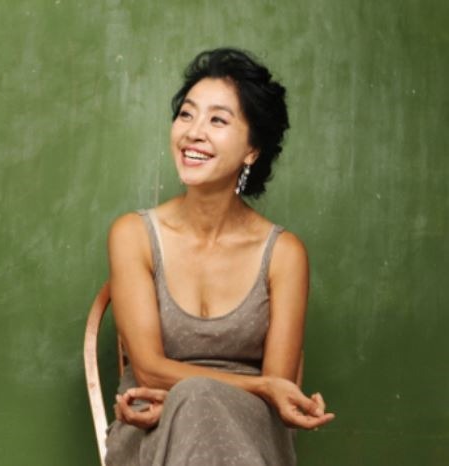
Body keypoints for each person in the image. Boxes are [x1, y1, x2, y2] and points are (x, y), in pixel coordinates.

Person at [105, 47, 335, 466]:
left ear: (252, 150)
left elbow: (280, 387)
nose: (193, 132)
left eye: (218, 120)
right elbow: (150, 370)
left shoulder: (284, 254)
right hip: (153, 422)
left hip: (247, 430)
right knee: (194, 399)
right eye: (187, 115)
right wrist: (257, 386)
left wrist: (211, 393)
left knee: (197, 399)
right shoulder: (133, 235)